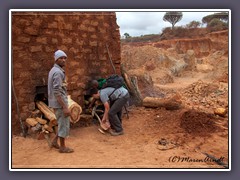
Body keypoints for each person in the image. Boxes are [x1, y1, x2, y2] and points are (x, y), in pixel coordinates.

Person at [48, 49, 74, 153]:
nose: (63, 60)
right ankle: (63, 147)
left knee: (61, 123)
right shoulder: (58, 72)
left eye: (65, 58)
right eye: (61, 58)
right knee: (63, 124)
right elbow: (57, 91)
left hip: (56, 102)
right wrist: (64, 107)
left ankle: (54, 141)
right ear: (56, 60)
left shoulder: (54, 70)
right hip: (60, 103)